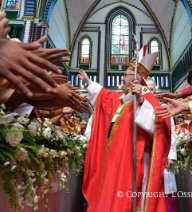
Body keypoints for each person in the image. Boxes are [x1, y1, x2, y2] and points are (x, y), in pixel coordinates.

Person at [80, 51, 171, 212]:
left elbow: (159, 125)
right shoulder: (123, 99)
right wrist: (88, 82)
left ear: (136, 78)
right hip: (117, 160)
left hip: (137, 159)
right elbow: (104, 97)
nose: (122, 78)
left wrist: (142, 101)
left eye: (126, 75)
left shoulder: (147, 98)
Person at [147, 78, 178, 212]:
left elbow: (171, 132)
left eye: (152, 88)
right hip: (144, 156)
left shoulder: (163, 108)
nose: (149, 91)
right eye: (147, 88)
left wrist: (171, 155)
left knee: (165, 188)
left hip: (162, 154)